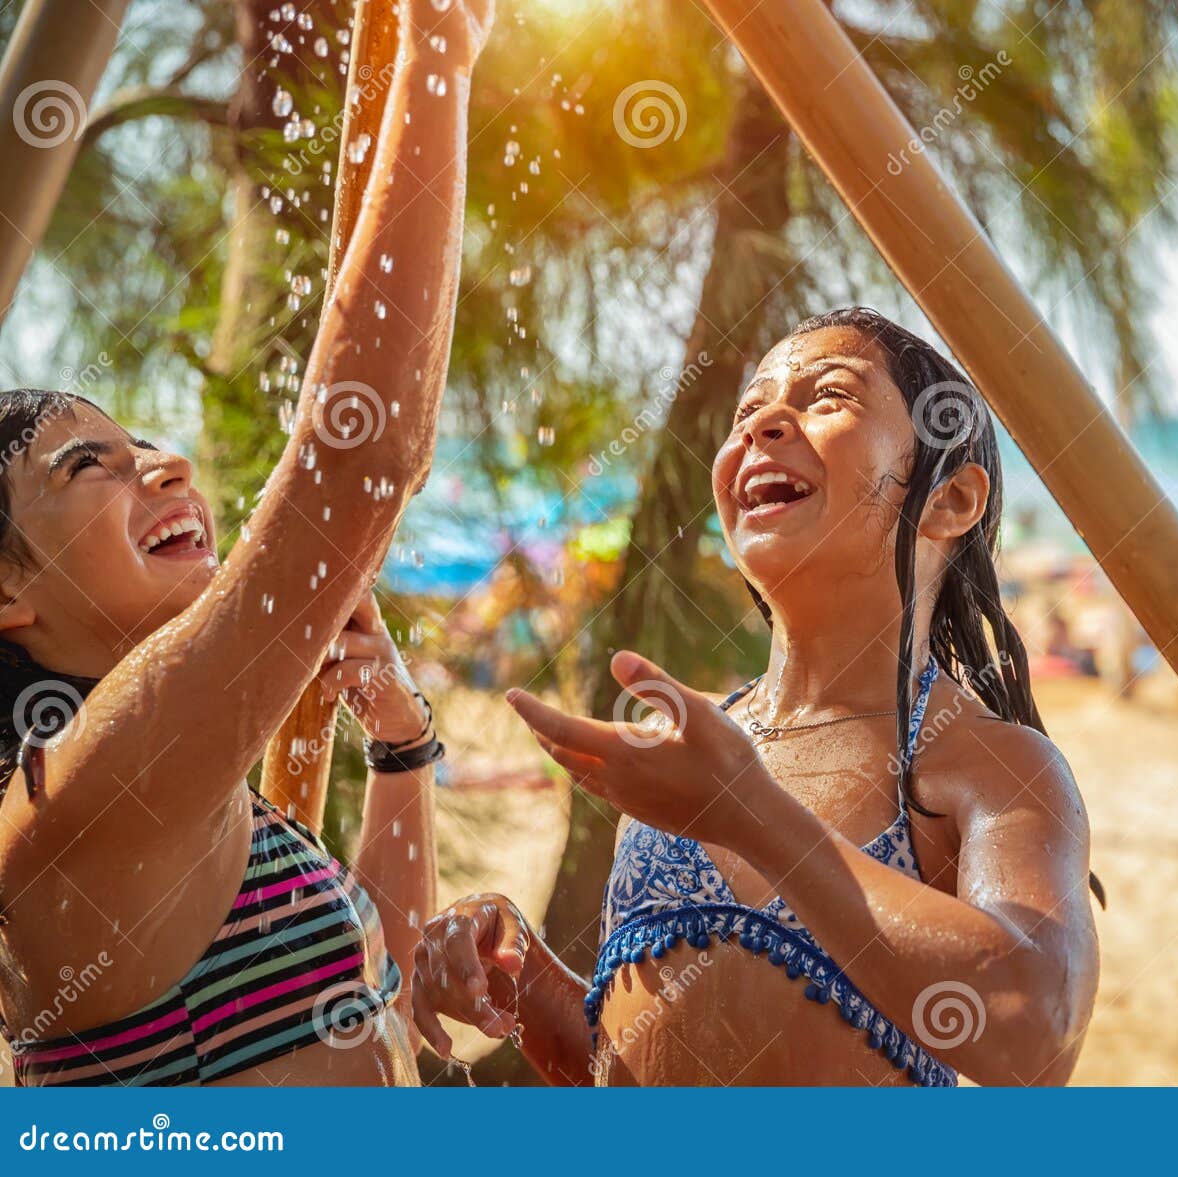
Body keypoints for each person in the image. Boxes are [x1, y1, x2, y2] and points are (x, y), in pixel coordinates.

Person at [413, 308, 1101, 1086]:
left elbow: (1036, 1031)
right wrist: (520, 979)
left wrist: (750, 812)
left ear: (948, 500)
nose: (767, 420)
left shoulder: (981, 764)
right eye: (748, 411)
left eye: (828, 396)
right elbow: (619, 1066)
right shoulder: (690, 748)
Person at [0, 0, 493, 1086]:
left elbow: (379, 996)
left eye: (143, 442)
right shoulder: (67, 798)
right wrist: (440, 51)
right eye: (90, 466)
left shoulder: (177, 774)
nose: (166, 464)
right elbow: (358, 469)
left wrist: (401, 747)